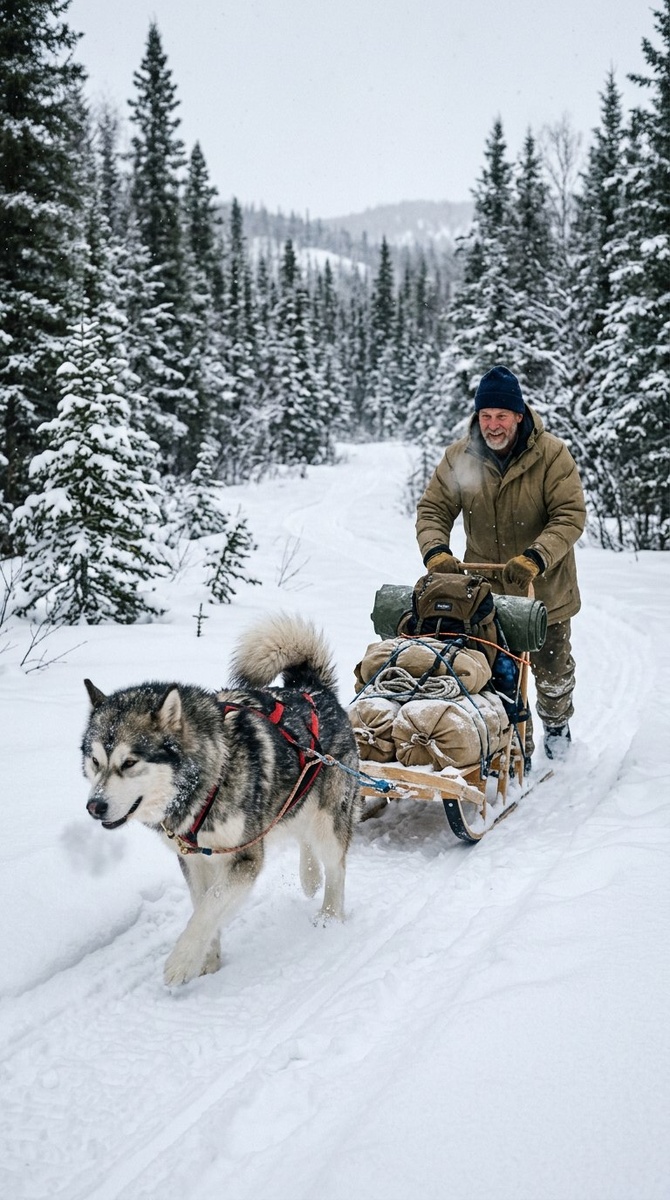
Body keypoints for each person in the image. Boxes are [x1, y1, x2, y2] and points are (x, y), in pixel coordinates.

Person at [415, 365, 586, 761]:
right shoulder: (461, 457)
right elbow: (433, 510)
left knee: (552, 671)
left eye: (501, 416)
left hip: (544, 588)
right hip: (484, 593)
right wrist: (436, 551)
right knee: (492, 672)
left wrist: (535, 557)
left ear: (519, 416)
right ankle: (509, 740)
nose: (493, 425)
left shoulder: (551, 455)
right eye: (485, 416)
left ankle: (556, 724)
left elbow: (569, 514)